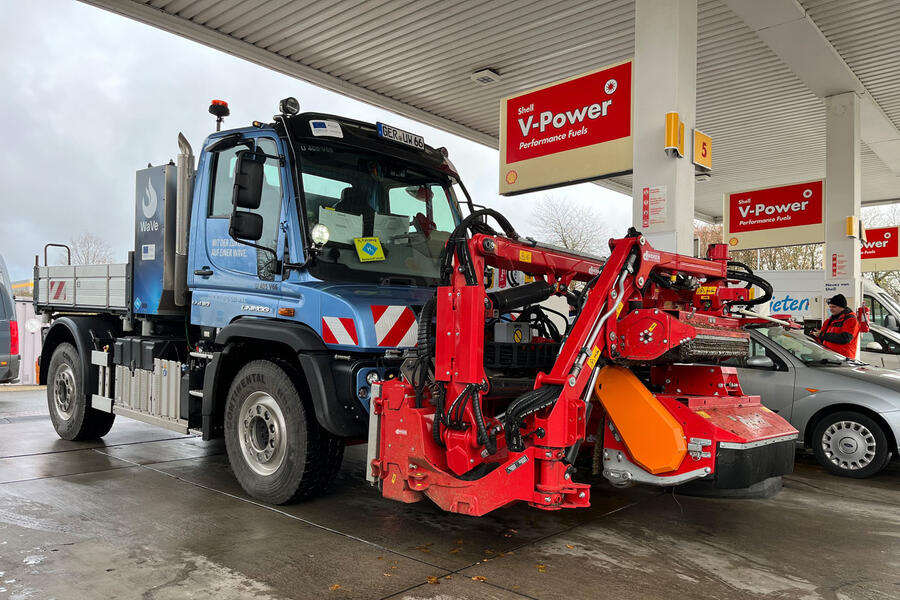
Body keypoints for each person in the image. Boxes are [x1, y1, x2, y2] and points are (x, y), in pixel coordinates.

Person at [811, 294, 859, 359]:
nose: (831, 309)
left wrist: (821, 335)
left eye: (833, 307)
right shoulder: (829, 320)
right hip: (829, 356)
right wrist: (815, 335)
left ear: (842, 307)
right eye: (830, 307)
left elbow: (845, 338)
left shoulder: (851, 320)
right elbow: (823, 338)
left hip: (843, 358)